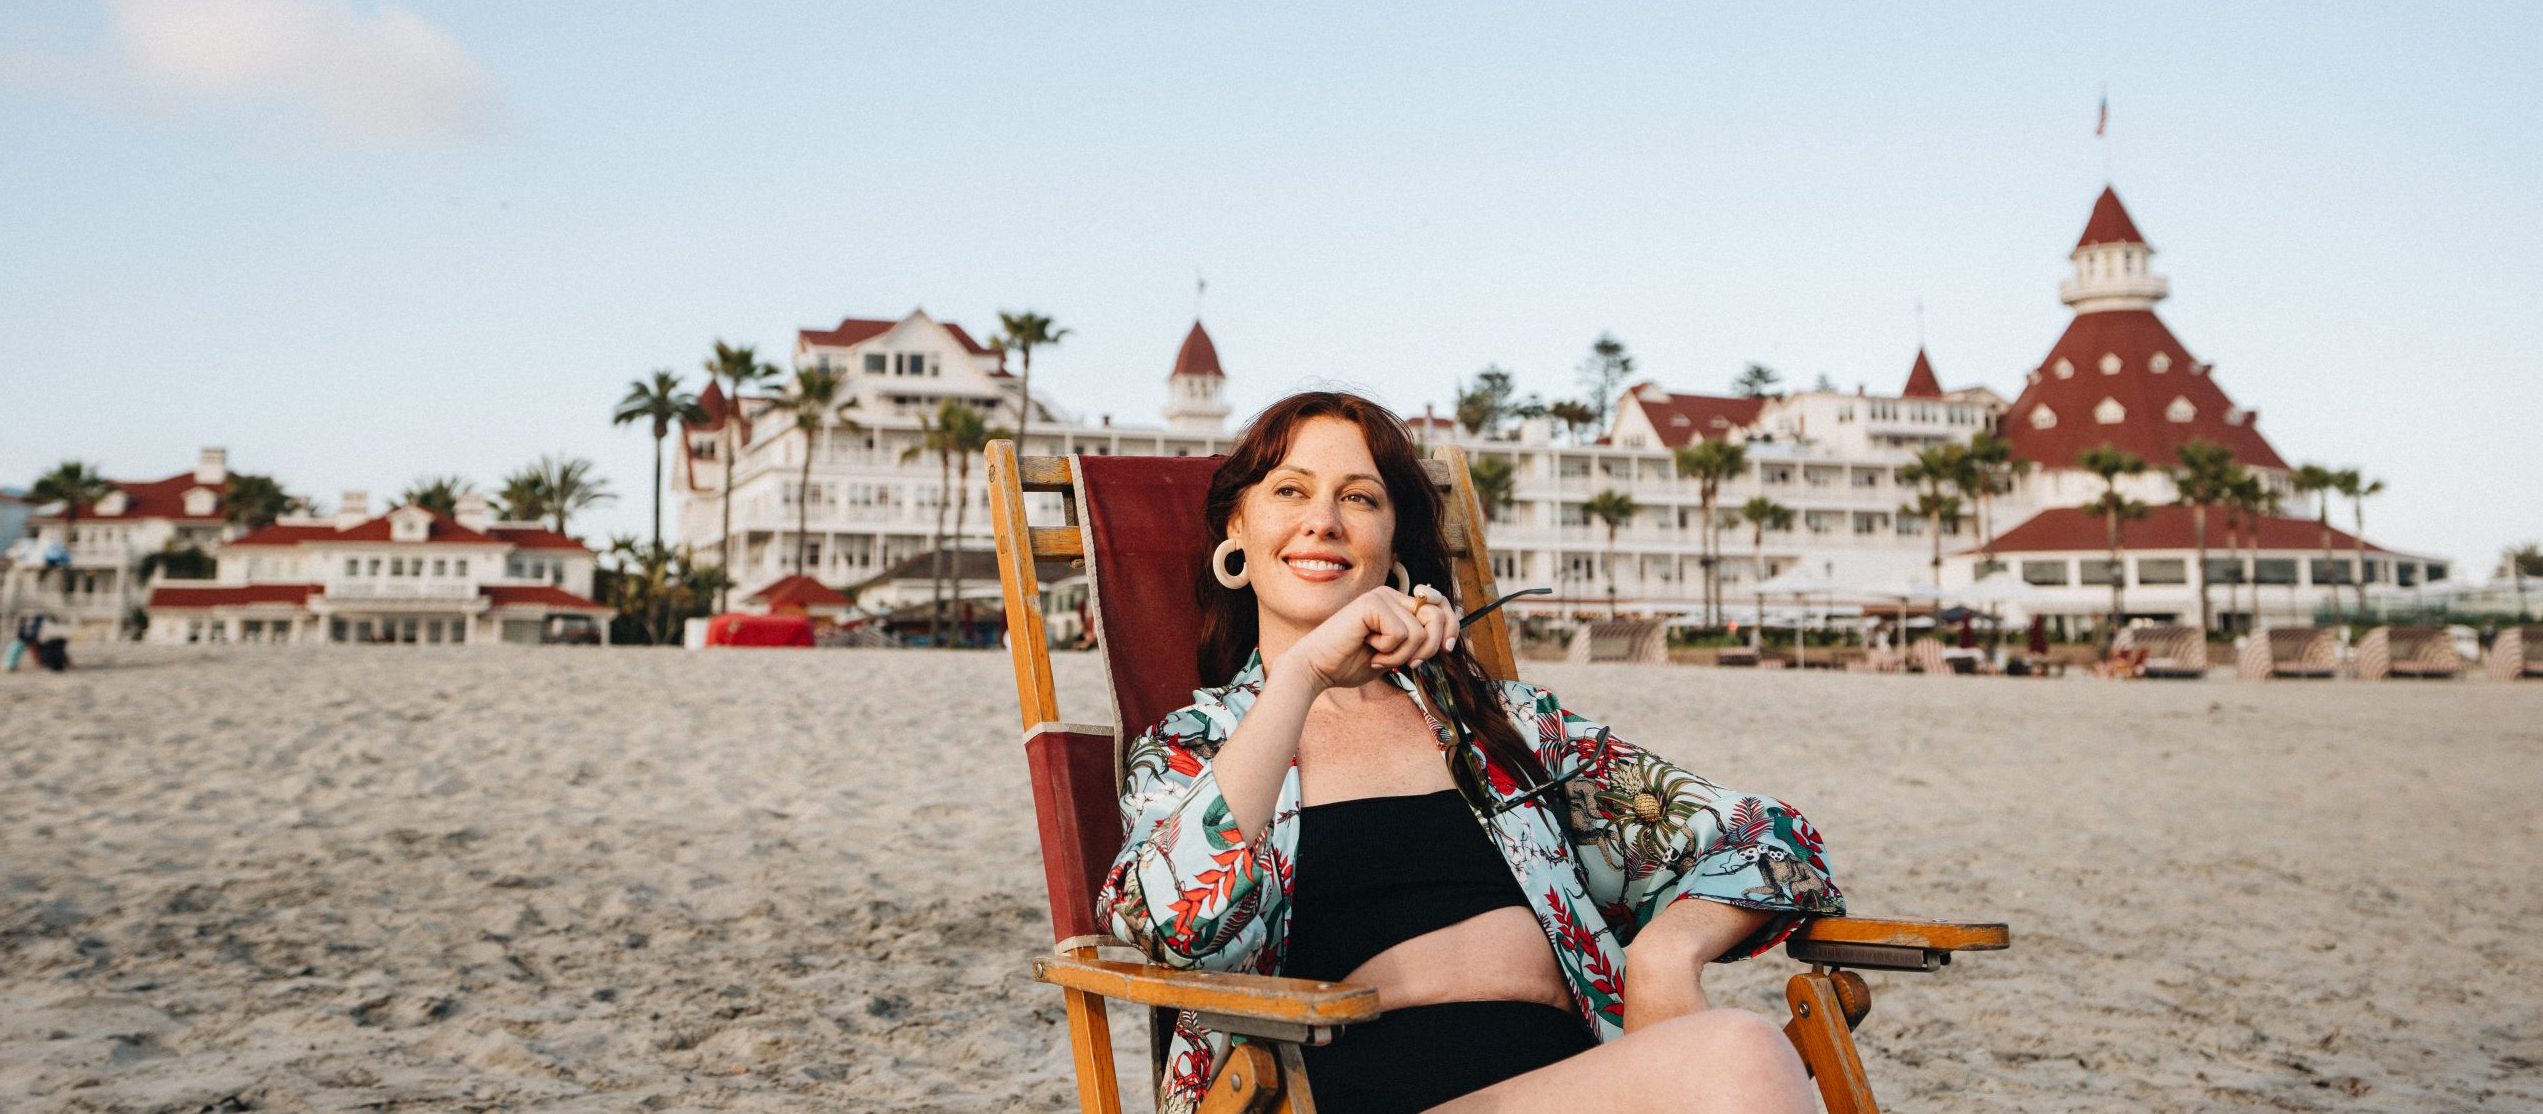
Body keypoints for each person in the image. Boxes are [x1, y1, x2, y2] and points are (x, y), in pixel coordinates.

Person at [1097, 393, 1844, 1114]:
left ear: (1392, 544)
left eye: (1359, 498)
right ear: (1236, 527)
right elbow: (1171, 930)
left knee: (1728, 1059)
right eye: (1290, 491)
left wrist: (1665, 954)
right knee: (1738, 1054)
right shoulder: (1193, 747)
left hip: (1572, 1082)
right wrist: (1302, 674)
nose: (1321, 521)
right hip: (1338, 1093)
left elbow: (1768, 837)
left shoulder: (1505, 727)